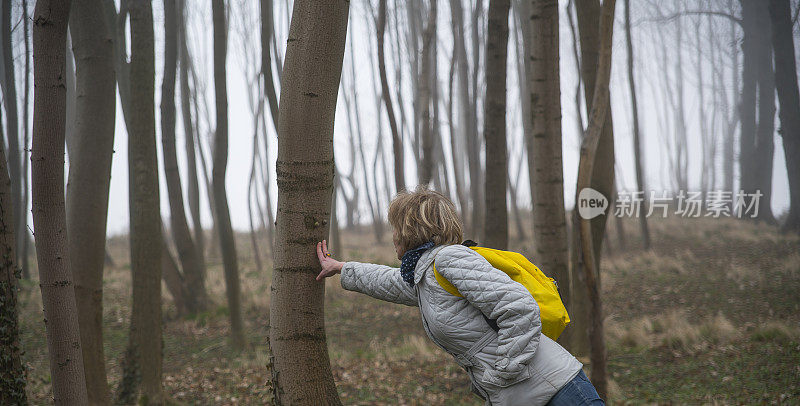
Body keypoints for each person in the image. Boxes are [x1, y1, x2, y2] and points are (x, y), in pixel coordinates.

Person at [315, 186, 604, 406]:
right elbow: (389, 281)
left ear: (410, 230)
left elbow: (519, 308)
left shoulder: (450, 260)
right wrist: (341, 268)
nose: (392, 236)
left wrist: (503, 372)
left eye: (396, 228)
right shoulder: (424, 274)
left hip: (558, 390)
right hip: (526, 395)